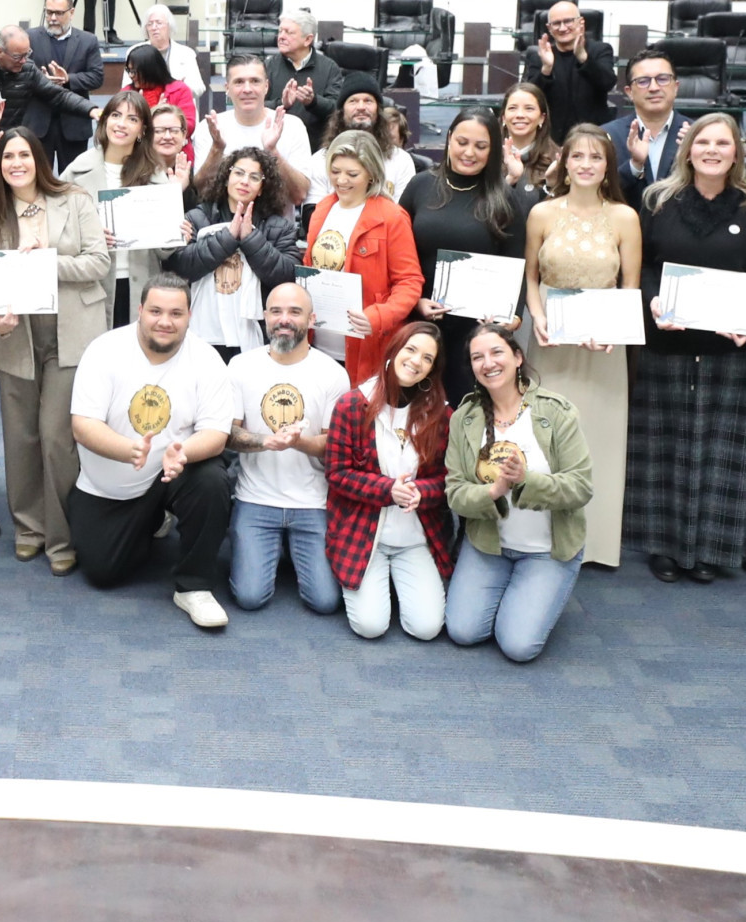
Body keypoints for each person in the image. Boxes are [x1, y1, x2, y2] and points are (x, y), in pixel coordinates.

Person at [628, 112, 746, 583]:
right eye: (703, 142)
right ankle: (664, 547)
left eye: (722, 143)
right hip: (667, 344)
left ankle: (712, 548)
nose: (712, 150)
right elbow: (646, 266)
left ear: (737, 151)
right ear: (688, 149)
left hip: (729, 349)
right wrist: (652, 300)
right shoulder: (659, 201)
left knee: (720, 452)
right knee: (663, 445)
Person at [66, 273, 237, 629]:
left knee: (211, 479)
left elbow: (216, 433)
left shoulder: (206, 359)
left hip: (172, 472)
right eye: (156, 311)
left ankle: (194, 586)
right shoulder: (104, 350)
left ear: (190, 316)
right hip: (111, 485)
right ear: (140, 311)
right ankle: (155, 520)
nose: (165, 321)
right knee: (103, 573)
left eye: (176, 314)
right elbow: (82, 426)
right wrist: (128, 449)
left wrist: (183, 453)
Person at [0, 127, 111, 574]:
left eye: (24, 154)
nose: (16, 163)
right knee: (20, 437)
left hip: (71, 334)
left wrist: (45, 258)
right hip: (18, 337)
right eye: (7, 156)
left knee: (56, 438)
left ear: (39, 158)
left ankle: (61, 536)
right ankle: (28, 529)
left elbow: (98, 262)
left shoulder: (74, 199)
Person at [523, 123, 641, 570]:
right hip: (551, 339)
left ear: (607, 166)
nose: (587, 165)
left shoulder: (624, 217)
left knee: (597, 440)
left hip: (604, 346)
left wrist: (615, 330)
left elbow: (630, 287)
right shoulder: (543, 214)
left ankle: (595, 546)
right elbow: (531, 277)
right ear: (564, 164)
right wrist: (536, 315)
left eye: (596, 157)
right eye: (578, 157)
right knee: (544, 436)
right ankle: (539, 537)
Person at [444, 322, 594, 662]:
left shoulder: (556, 412)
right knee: (463, 632)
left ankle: (542, 587)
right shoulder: (464, 418)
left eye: (497, 352)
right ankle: (516, 591)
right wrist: (495, 490)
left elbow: (581, 486)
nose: (488, 363)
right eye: (477, 357)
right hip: (489, 546)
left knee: (518, 646)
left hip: (547, 550)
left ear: (517, 357)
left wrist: (527, 481)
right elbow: (455, 494)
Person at [325, 320, 456, 640]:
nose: (416, 361)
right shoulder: (353, 405)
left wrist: (420, 492)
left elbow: (447, 478)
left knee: (426, 629)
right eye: (411, 350)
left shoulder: (441, 414)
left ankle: (398, 584)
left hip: (416, 537)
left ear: (432, 369)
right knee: (370, 626)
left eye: (427, 358)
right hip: (364, 533)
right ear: (394, 350)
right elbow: (337, 474)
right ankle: (380, 583)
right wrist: (388, 490)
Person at [224, 282, 350, 614]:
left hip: (311, 502)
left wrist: (299, 443)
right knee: (250, 598)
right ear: (264, 316)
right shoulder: (240, 366)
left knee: (325, 602)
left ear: (311, 319)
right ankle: (271, 547)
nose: (284, 319)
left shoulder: (333, 374)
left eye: (295, 312)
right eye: (276, 311)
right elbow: (227, 435)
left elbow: (333, 446)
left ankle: (291, 549)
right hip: (255, 498)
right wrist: (267, 441)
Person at [400, 107, 529, 406]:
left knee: (466, 412)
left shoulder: (503, 198)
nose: (469, 152)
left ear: (493, 150)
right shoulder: (420, 186)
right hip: (419, 324)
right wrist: (414, 299)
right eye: (462, 142)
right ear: (448, 139)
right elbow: (399, 253)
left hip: (476, 332)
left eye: (481, 146)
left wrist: (515, 315)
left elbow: (515, 261)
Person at [301, 130, 424, 384]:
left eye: (352, 174)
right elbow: (309, 267)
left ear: (372, 173)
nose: (341, 180)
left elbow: (409, 282)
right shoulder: (322, 209)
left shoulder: (392, 217)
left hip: (368, 347)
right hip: (318, 343)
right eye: (335, 171)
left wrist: (378, 317)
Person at [168, 146, 301, 362]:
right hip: (203, 335)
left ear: (261, 188)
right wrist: (228, 238)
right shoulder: (197, 217)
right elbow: (180, 266)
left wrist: (251, 239)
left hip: (256, 336)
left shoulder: (279, 227)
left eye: (254, 177)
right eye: (238, 173)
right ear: (226, 177)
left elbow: (287, 276)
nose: (245, 181)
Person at [62, 88, 173, 327]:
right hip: (93, 286)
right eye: (115, 115)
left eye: (132, 119)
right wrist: (88, 236)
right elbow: (56, 230)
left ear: (143, 130)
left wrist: (176, 232)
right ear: (104, 121)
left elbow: (165, 251)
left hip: (141, 283)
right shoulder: (76, 170)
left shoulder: (155, 174)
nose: (122, 124)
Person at [194, 54, 315, 205]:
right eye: (238, 82)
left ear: (266, 86)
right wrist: (217, 149)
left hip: (277, 227)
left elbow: (299, 195)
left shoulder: (292, 126)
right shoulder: (210, 128)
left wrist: (272, 151)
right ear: (227, 88)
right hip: (221, 225)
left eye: (255, 81)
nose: (247, 89)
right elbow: (202, 191)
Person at [27, 0, 104, 171]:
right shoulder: (30, 38)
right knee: (36, 179)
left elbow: (97, 77)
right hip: (38, 123)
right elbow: (20, 74)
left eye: (59, 13)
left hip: (73, 124)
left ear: (71, 12)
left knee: (73, 181)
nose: (53, 18)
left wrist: (68, 79)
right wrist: (41, 80)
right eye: (49, 12)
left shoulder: (88, 40)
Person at [606, 50, 690, 206]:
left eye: (663, 79)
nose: (653, 87)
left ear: (676, 87)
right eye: (643, 81)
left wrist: (694, 158)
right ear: (629, 92)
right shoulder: (607, 135)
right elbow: (599, 191)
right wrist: (634, 166)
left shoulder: (697, 136)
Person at [521, 0, 615, 139]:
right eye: (556, 23)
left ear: (581, 22)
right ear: (549, 28)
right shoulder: (540, 55)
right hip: (551, 138)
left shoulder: (600, 50)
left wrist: (583, 58)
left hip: (592, 136)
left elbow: (607, 83)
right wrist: (546, 69)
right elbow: (531, 97)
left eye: (568, 21)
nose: (563, 28)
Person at [313, 73, 410, 204]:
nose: (361, 107)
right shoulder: (320, 159)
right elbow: (312, 214)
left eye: (368, 101)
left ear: (378, 110)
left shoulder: (401, 159)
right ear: (341, 111)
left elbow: (404, 215)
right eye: (353, 101)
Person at [264, 9, 342, 136]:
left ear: (307, 39)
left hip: (315, 146)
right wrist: (282, 104)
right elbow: (256, 106)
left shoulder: (329, 68)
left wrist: (314, 102)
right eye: (280, 31)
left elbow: (337, 110)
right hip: (275, 142)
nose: (281, 37)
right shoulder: (268, 66)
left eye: (289, 33)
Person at [122, 45, 200, 156]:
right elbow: (124, 127)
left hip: (175, 156)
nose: (130, 75)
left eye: (134, 71)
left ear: (149, 70)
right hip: (138, 156)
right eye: (128, 70)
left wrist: (158, 116)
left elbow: (189, 126)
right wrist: (151, 113)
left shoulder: (180, 90)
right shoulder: (127, 93)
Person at [138, 3, 207, 110]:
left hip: (180, 110)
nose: (154, 27)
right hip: (146, 111)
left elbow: (199, 88)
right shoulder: (135, 53)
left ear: (169, 26)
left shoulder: (186, 53)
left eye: (159, 23)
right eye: (150, 24)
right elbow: (127, 90)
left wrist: (180, 88)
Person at [498, 81, 558, 186]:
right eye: (512, 108)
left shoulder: (556, 160)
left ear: (542, 118)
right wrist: (510, 179)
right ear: (503, 117)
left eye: (529, 108)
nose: (520, 115)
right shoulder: (488, 156)